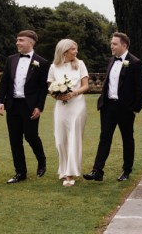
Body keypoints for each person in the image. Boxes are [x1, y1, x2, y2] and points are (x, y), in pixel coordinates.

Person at [84, 32, 142, 182]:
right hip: (108, 106)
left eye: (114, 44)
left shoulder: (135, 62)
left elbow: (141, 88)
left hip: (125, 108)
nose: (111, 46)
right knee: (104, 138)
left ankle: (126, 171)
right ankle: (97, 171)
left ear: (124, 45)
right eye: (111, 43)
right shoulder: (111, 60)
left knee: (127, 139)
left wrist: (135, 108)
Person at [0, 30, 50, 184]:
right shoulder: (10, 60)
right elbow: (5, 82)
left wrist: (39, 107)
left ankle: (41, 160)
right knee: (15, 139)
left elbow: (42, 88)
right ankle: (20, 172)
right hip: (12, 104)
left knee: (31, 136)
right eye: (17, 40)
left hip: (30, 106)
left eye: (21, 40)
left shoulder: (42, 62)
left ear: (31, 42)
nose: (17, 43)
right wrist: (0, 101)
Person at [47, 39, 89, 187]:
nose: (75, 51)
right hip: (61, 107)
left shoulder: (80, 64)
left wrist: (73, 93)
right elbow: (50, 88)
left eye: (76, 49)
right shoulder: (53, 67)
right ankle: (63, 169)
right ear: (64, 51)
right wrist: (57, 95)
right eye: (73, 49)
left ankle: (70, 173)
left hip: (77, 105)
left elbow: (85, 86)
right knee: (60, 139)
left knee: (74, 138)